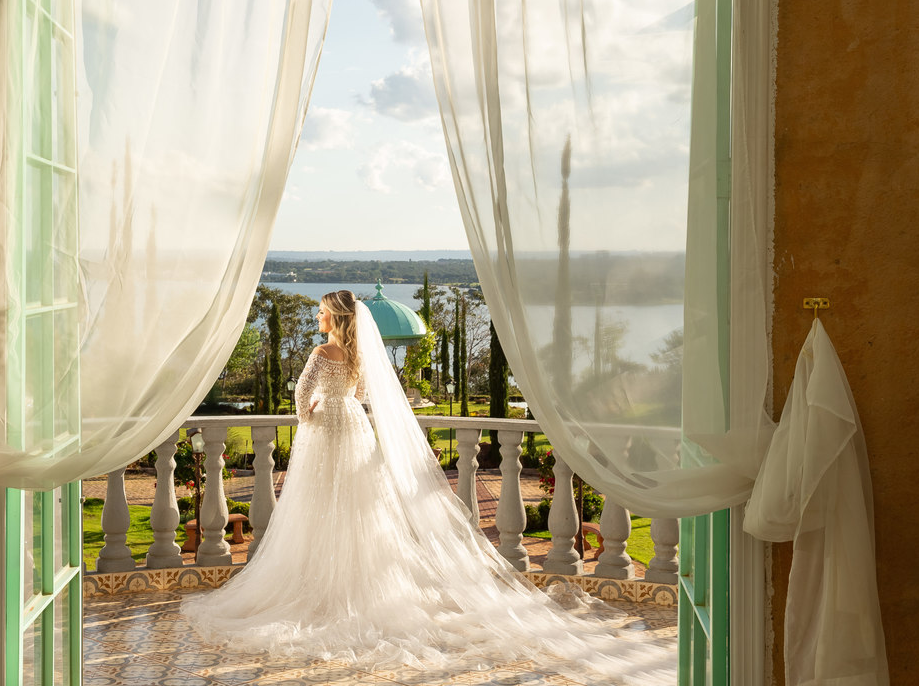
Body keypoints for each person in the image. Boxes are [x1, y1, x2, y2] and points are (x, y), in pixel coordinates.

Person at [182, 290, 672, 682]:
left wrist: (306, 419)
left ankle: (321, 587)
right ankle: (363, 583)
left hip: (326, 430)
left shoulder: (319, 351)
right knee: (362, 509)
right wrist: (343, 408)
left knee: (320, 507)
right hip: (354, 428)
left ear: (332, 315)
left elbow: (300, 394)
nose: (316, 317)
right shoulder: (357, 355)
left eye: (320, 311)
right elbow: (366, 395)